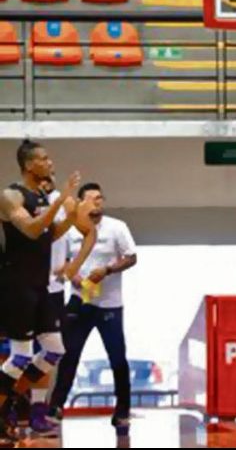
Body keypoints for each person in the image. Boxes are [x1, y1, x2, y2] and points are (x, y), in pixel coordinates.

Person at [0, 140, 82, 445]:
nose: (50, 163)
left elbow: (49, 234)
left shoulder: (44, 196)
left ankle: (11, 401)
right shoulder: (11, 196)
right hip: (17, 284)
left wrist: (71, 214)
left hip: (42, 284)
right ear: (29, 165)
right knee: (20, 356)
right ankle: (3, 413)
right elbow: (32, 229)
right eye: (44, 159)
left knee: (55, 350)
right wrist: (59, 204)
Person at [49, 183, 138, 435]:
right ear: (80, 203)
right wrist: (74, 275)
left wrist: (108, 270)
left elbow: (132, 256)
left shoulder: (116, 227)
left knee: (118, 358)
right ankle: (56, 407)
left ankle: (122, 411)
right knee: (68, 356)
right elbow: (62, 261)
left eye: (100, 198)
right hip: (79, 300)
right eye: (91, 199)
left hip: (109, 303)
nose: (97, 203)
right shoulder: (70, 230)